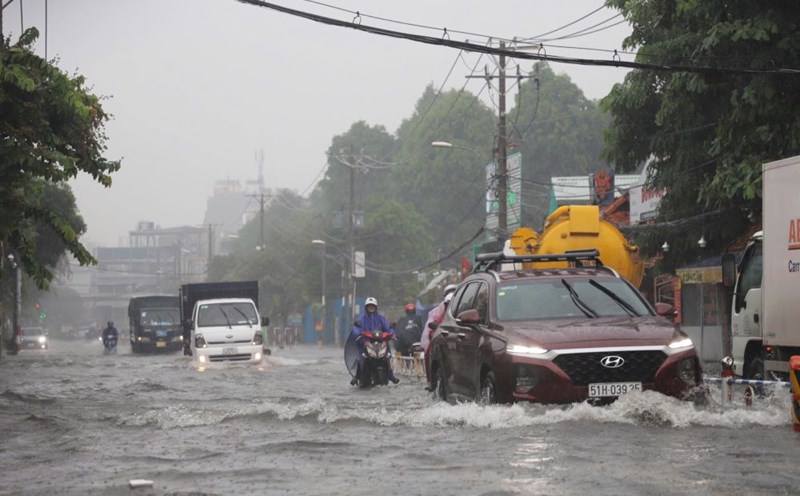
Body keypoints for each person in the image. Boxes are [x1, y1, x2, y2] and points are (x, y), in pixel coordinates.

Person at [351, 297, 399, 385]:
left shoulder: (381, 318)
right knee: (362, 357)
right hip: (367, 343)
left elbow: (388, 328)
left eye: (372, 306)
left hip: (381, 343)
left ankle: (390, 375)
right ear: (366, 307)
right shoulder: (362, 319)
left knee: (387, 356)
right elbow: (356, 329)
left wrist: (392, 333)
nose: (371, 308)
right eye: (369, 306)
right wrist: (358, 335)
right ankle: (357, 376)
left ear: (376, 307)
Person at [422, 284, 457, 384]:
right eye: (448, 304)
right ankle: (431, 381)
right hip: (444, 345)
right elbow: (431, 330)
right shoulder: (438, 313)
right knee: (428, 353)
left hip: (459, 345)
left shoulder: (464, 309)